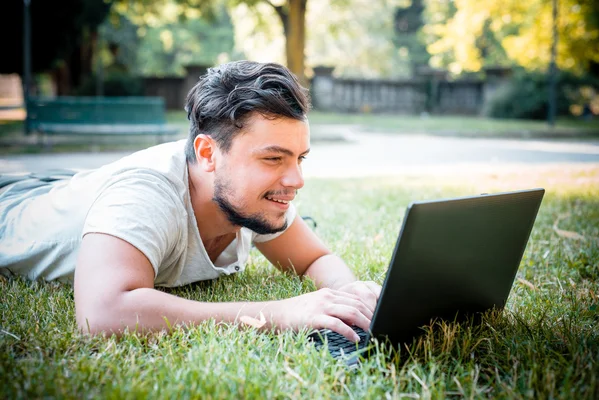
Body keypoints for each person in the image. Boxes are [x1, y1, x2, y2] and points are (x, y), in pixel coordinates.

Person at [0, 61, 380, 342]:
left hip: (59, 188)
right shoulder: (147, 192)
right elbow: (101, 314)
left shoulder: (253, 197)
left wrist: (349, 297)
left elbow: (315, 259)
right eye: (273, 158)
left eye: (300, 158)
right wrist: (279, 312)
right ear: (209, 154)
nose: (296, 179)